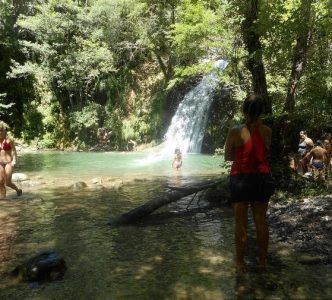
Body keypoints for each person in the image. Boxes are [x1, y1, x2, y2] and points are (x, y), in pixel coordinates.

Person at [224, 95, 273, 273]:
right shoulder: (267, 131)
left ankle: (240, 263)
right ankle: (263, 261)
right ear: (261, 111)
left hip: (240, 178)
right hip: (262, 178)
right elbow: (265, 153)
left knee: (240, 223)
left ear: (244, 110)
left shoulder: (235, 131)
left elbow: (228, 156)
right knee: (261, 221)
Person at [0, 121, 22, 198]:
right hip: (0, 163)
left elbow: (14, 151)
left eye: (1, 130)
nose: (0, 132)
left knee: (8, 183)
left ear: (4, 130)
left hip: (8, 163)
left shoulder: (9, 139)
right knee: (0, 181)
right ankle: (3, 198)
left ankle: (17, 190)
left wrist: (14, 161)